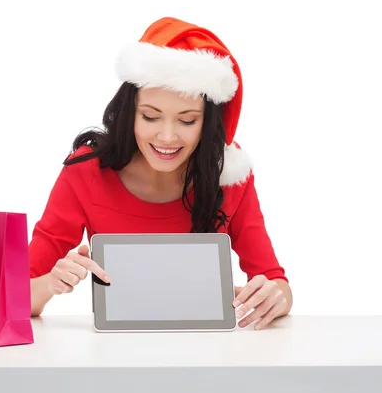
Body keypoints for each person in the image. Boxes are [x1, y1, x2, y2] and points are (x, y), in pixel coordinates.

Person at [28, 17, 292, 330]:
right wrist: (51, 283)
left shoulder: (230, 177)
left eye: (187, 120)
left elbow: (277, 283)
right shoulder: (86, 171)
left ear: (208, 124)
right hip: (111, 358)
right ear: (130, 113)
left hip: (207, 357)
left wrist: (275, 297)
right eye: (151, 116)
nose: (167, 138)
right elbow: (18, 293)